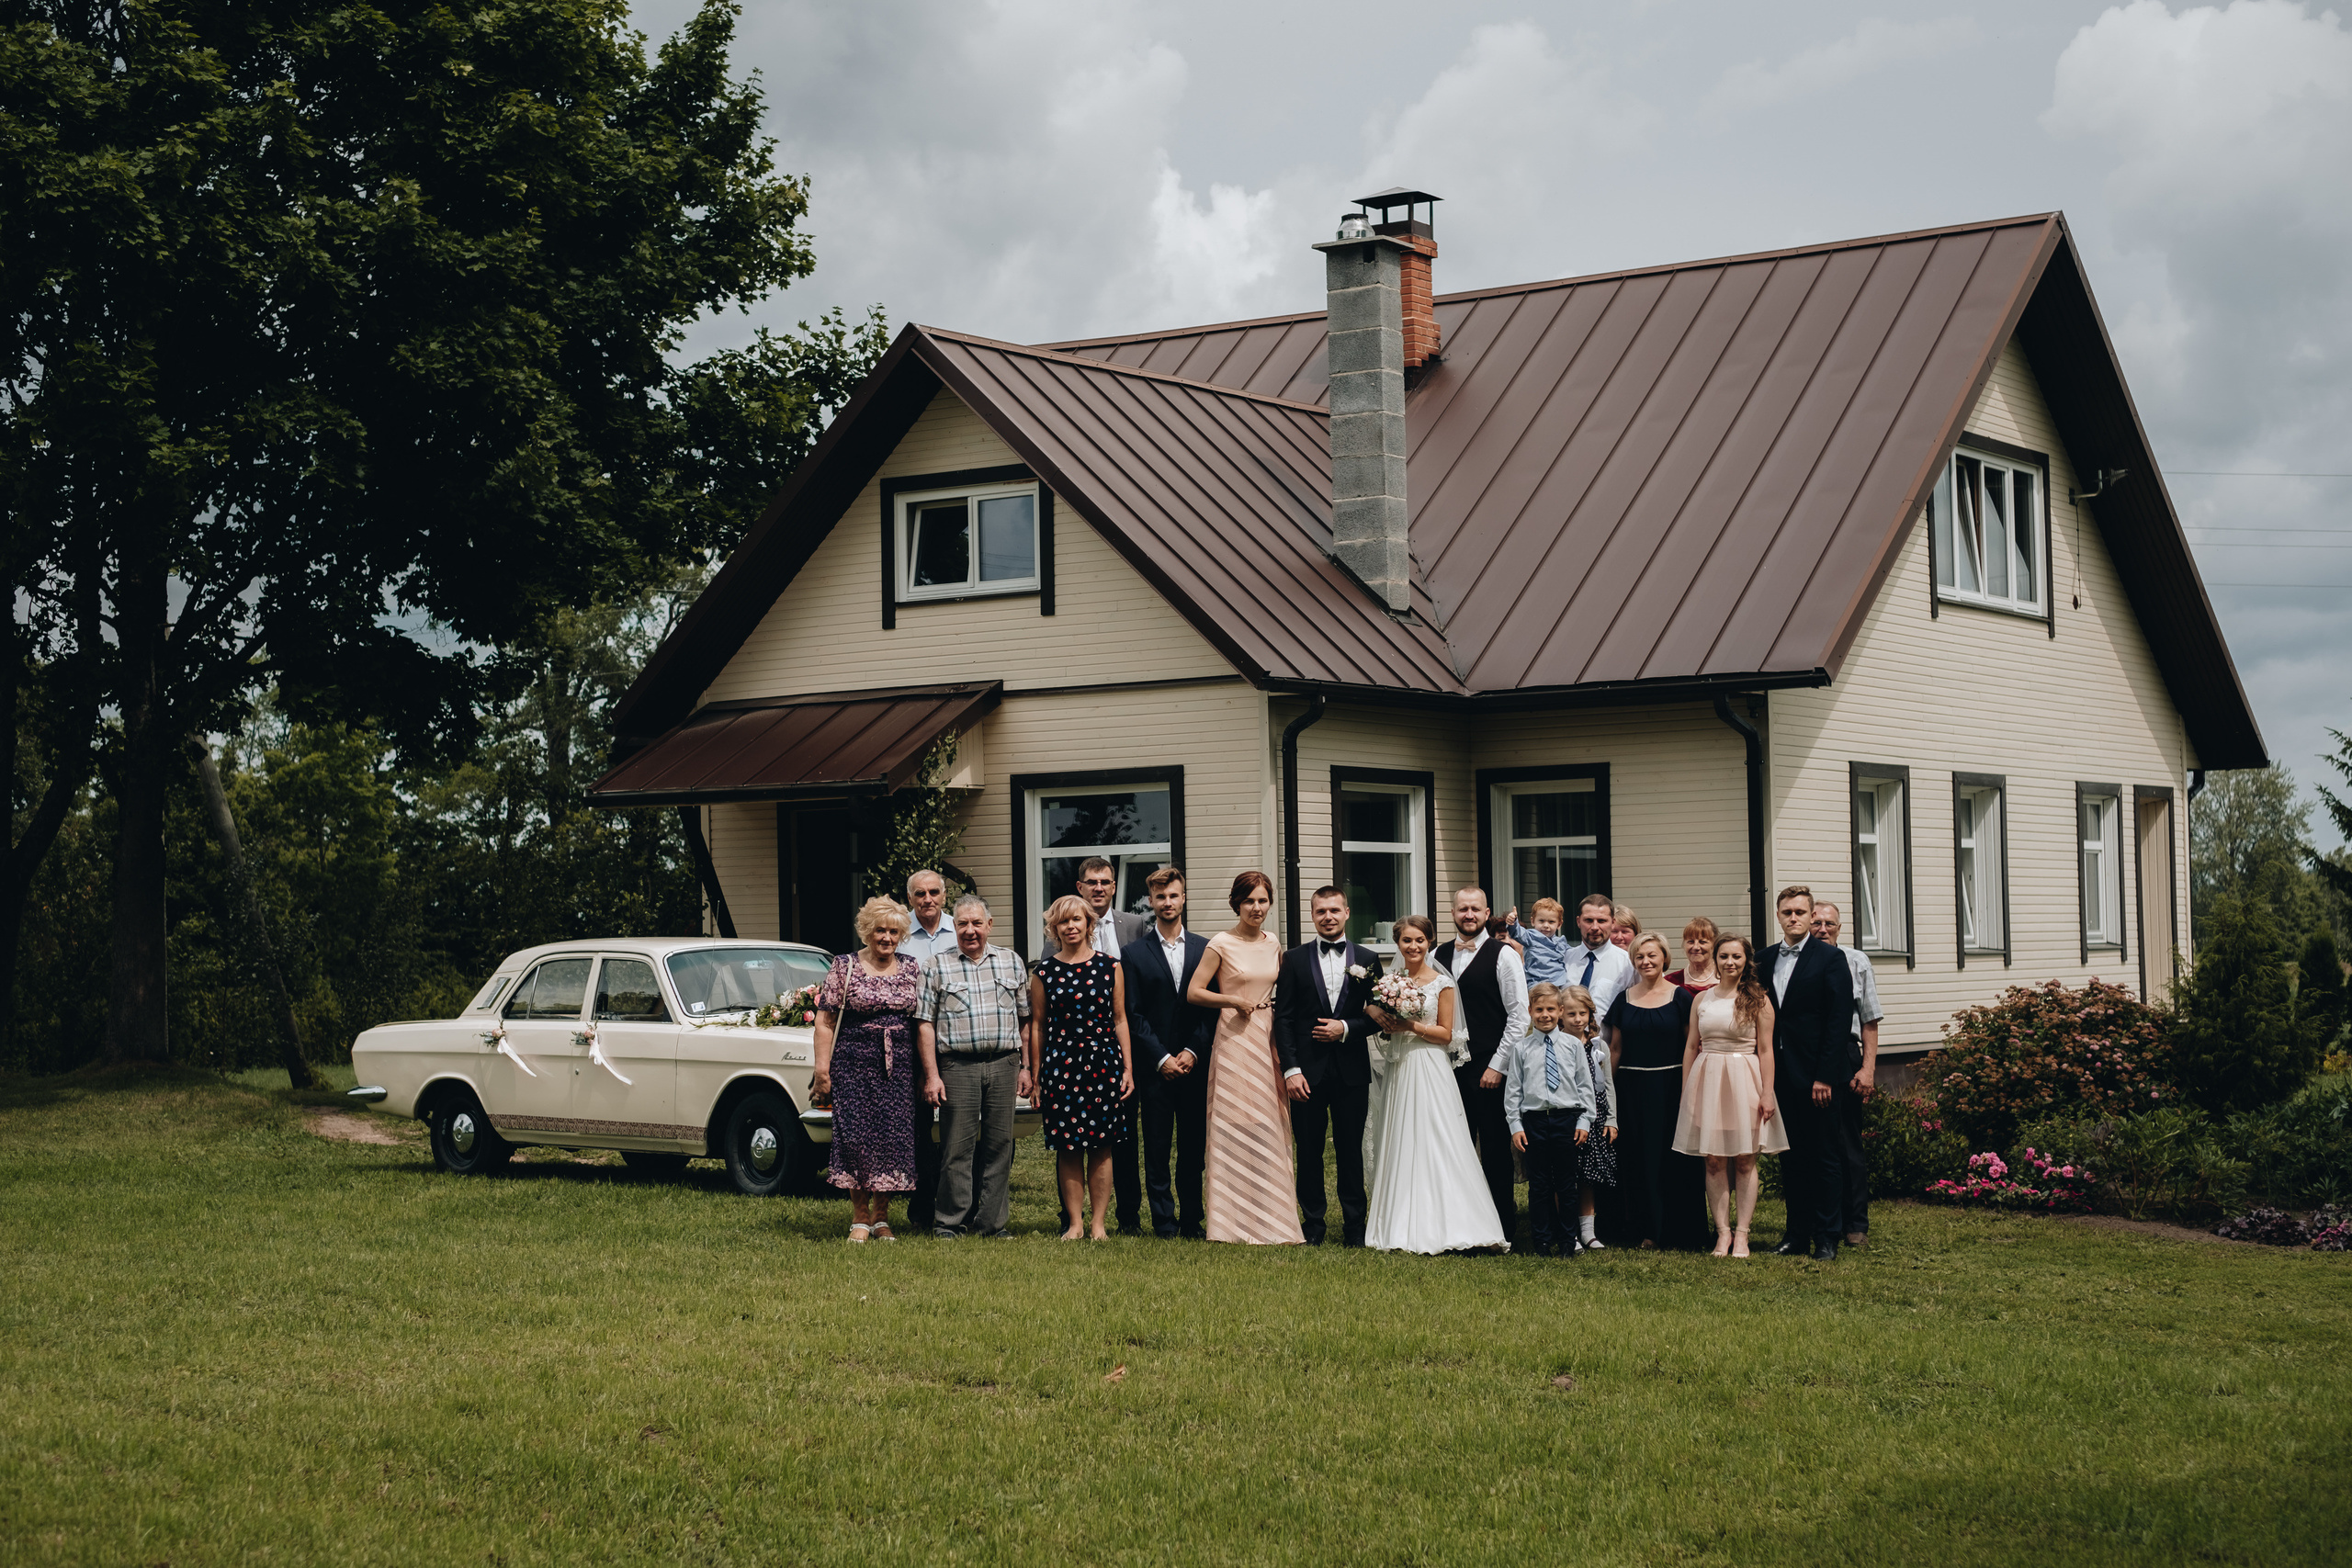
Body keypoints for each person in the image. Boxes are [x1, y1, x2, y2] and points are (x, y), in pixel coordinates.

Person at [1362, 914, 1510, 1254]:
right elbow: (1372, 1009)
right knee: (1402, 1137)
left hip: (1428, 1064)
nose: (1413, 947)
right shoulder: (1391, 980)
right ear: (1397, 944)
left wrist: (1410, 1027)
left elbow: (1446, 1034)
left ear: (1429, 943)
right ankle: (1400, 1222)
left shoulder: (1441, 983)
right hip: (1400, 1067)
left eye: (1419, 941)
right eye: (1406, 941)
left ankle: (1458, 1221)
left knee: (1438, 1136)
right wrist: (1376, 1014)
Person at [1185, 872, 1304, 1245]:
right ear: (1237, 902)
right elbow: (1194, 992)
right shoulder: (1221, 943)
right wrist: (1232, 1000)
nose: (1256, 908)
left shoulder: (1274, 943)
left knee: (1269, 1124)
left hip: (1268, 1038)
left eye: (1263, 901)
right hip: (1235, 1038)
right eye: (1249, 900)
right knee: (1235, 1122)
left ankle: (1274, 1220)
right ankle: (1230, 1222)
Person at [1273, 886, 1385, 1247]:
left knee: (1350, 1150)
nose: (1328, 917)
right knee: (1309, 1150)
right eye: (1321, 911)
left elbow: (1381, 1016)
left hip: (1352, 1072)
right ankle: (1313, 1226)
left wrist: (1347, 1028)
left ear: (1347, 913)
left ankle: (1355, 1227)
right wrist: (1291, 1070)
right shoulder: (1293, 958)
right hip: (1307, 1073)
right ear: (1312, 915)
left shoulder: (1368, 959)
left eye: (1334, 910)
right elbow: (1284, 1019)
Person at [914, 895, 1031, 1238]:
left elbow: (1025, 1018)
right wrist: (932, 1075)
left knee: (999, 1147)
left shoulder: (1011, 962)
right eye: (962, 924)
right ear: (955, 926)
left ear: (989, 926)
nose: (970, 931)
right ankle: (950, 1222)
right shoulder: (936, 965)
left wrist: (1025, 1067)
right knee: (956, 1148)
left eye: (977, 923)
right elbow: (924, 1024)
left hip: (1004, 1063)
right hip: (957, 1066)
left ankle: (992, 1224)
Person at [811, 897, 922, 1241]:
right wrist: (822, 1070)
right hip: (853, 1065)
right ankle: (860, 1218)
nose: (886, 938)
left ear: (901, 934)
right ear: (866, 932)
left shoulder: (913, 967)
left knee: (891, 1140)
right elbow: (825, 1022)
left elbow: (922, 1022)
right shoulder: (844, 966)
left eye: (892, 931)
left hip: (899, 1068)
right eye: (879, 930)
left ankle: (882, 1217)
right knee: (856, 1140)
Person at [1672, 933, 1787, 1258]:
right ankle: (1722, 1233)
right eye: (1724, 957)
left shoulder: (1759, 1000)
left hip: (1745, 1079)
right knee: (1712, 1160)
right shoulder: (1701, 999)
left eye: (1736, 957)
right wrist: (1686, 1092)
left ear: (1746, 960)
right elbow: (1691, 1046)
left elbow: (1766, 1050)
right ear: (1715, 960)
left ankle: (1743, 1234)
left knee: (1746, 1159)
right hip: (1707, 1079)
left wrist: (1767, 1093)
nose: (1730, 963)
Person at [1031, 894, 1136, 1241]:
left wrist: (1128, 1069)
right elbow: (1038, 1026)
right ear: (1054, 928)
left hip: (1103, 1063)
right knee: (1068, 1146)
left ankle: (1098, 1224)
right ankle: (1075, 1222)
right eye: (1063, 921)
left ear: (1089, 924)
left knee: (1102, 1145)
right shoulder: (1044, 971)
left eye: (1077, 920)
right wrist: (1036, 1077)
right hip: (1060, 1065)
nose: (1071, 926)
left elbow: (1120, 1019)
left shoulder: (1110, 966)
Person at [1761, 886, 1856, 1260]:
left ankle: (1828, 1236)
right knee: (1792, 1158)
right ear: (1779, 916)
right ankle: (1796, 1234)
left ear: (1810, 914)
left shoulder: (1830, 959)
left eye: (1801, 912)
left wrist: (1825, 1076)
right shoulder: (1764, 959)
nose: (1794, 918)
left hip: (1818, 1076)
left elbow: (1837, 1022)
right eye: (1787, 912)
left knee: (1825, 1157)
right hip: (1779, 1073)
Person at [1120, 866, 1215, 1238]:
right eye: (1160, 897)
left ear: (1184, 898)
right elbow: (1132, 1012)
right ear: (1150, 902)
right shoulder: (1134, 953)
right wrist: (1161, 1058)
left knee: (1193, 1148)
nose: (1167, 902)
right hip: (1155, 1067)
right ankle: (1163, 1220)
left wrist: (1192, 1050)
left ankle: (1192, 1219)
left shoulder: (1206, 948)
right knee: (1156, 1148)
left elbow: (1211, 1008)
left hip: (1196, 1063)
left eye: (1174, 895)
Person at [1608, 932, 1707, 1250]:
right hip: (1631, 1090)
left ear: (1664, 957)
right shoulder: (1623, 998)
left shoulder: (1682, 998)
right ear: (1633, 962)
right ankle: (1645, 1229)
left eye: (1652, 955)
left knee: (1674, 1159)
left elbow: (1693, 1045)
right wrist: (1606, 1093)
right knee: (1639, 1160)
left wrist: (1691, 1088)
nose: (1646, 962)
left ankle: (1682, 1231)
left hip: (1672, 1087)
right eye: (1639, 957)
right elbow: (1616, 1049)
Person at [1447, 886, 1530, 1241]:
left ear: (1486, 912)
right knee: (1454, 1144)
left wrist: (1498, 1065)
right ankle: (1458, 1224)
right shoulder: (1436, 954)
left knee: (1494, 1149)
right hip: (1446, 1068)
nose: (1469, 915)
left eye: (1475, 909)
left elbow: (1518, 1016)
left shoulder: (1504, 954)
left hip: (1489, 1066)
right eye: (1462, 909)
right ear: (1453, 912)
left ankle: (1501, 1226)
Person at [1075, 855, 1151, 1233]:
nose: (1099, 888)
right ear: (1081, 888)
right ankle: (1073, 1216)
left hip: (1127, 1041)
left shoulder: (1135, 925)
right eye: (1092, 882)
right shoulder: (1065, 927)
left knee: (1124, 1135)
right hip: (1079, 1048)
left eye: (1105, 881)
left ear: (1114, 886)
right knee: (1078, 1138)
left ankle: (1129, 1217)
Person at [1498, 982, 1598, 1258]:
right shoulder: (1521, 1048)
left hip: (1567, 1120)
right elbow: (1513, 1091)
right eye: (1539, 1009)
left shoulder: (1573, 1046)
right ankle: (1541, 1241)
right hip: (1535, 1123)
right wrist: (1516, 1126)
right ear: (1530, 1011)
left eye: (1551, 1009)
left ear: (1561, 1011)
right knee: (1539, 1185)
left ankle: (1568, 1241)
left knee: (1567, 1184)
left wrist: (1584, 1122)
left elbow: (1585, 1086)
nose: (1545, 1015)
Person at [1811, 900, 1884, 1250]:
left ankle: (1856, 1224)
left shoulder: (1857, 961)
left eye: (1830, 924)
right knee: (1812, 1145)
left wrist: (1867, 1068)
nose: (1823, 929)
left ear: (1840, 928)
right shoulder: (1796, 962)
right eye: (1817, 923)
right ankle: (1821, 1220)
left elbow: (1869, 1019)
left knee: (1847, 1143)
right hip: (1805, 1056)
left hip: (1846, 1053)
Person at [899, 869, 959, 1232]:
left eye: (934, 892)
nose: (927, 899)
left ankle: (958, 1204)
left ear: (944, 894)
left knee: (959, 1127)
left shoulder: (964, 927)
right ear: (910, 898)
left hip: (956, 1039)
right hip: (909, 1038)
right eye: (919, 894)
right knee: (919, 1128)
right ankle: (922, 1208)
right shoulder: (898, 931)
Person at [1559, 985, 1617, 1251]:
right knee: (1564, 1176)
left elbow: (1608, 1084)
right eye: (1571, 1014)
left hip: (1595, 1115)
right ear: (1561, 1015)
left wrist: (1611, 1119)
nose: (1578, 1019)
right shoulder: (1556, 1044)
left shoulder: (1598, 1045)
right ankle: (1567, 1231)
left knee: (1588, 1176)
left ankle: (1588, 1232)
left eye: (1583, 1013)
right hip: (1566, 1116)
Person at [1566, 892, 1637, 1022]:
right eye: (1588, 920)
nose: (1595, 927)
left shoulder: (1629, 963)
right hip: (1564, 1041)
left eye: (1602, 921)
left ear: (1613, 922)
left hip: (1609, 1042)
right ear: (1578, 921)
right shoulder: (1564, 960)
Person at [1499, 897, 1574, 987]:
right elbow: (1517, 933)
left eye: (1551, 922)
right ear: (1533, 921)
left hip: (1559, 983)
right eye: (1541, 921)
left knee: (1574, 993)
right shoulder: (1530, 937)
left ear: (1559, 924)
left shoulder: (1561, 942)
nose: (1546, 925)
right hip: (1537, 983)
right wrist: (1512, 922)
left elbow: (1574, 954)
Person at [1664, 915, 1720, 996]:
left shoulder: (1727, 980)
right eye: (1691, 941)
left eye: (1702, 942)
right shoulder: (1670, 982)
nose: (1696, 947)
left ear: (1714, 945)